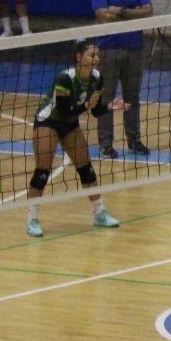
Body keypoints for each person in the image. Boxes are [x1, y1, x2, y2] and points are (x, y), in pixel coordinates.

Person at [24, 39, 123, 237]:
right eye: (92, 55)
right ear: (79, 57)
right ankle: (32, 219)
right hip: (48, 122)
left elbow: (95, 111)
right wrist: (86, 106)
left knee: (86, 168)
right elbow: (64, 111)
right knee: (42, 172)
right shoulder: (65, 78)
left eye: (97, 55)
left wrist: (109, 107)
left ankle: (99, 213)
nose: (96, 59)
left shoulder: (97, 78)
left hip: (69, 123)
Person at [90, 0, 153, 157]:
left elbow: (148, 11)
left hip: (134, 48)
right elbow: (102, 16)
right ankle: (106, 144)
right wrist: (133, 12)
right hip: (108, 49)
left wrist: (121, 11)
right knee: (106, 99)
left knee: (131, 97)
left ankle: (134, 141)